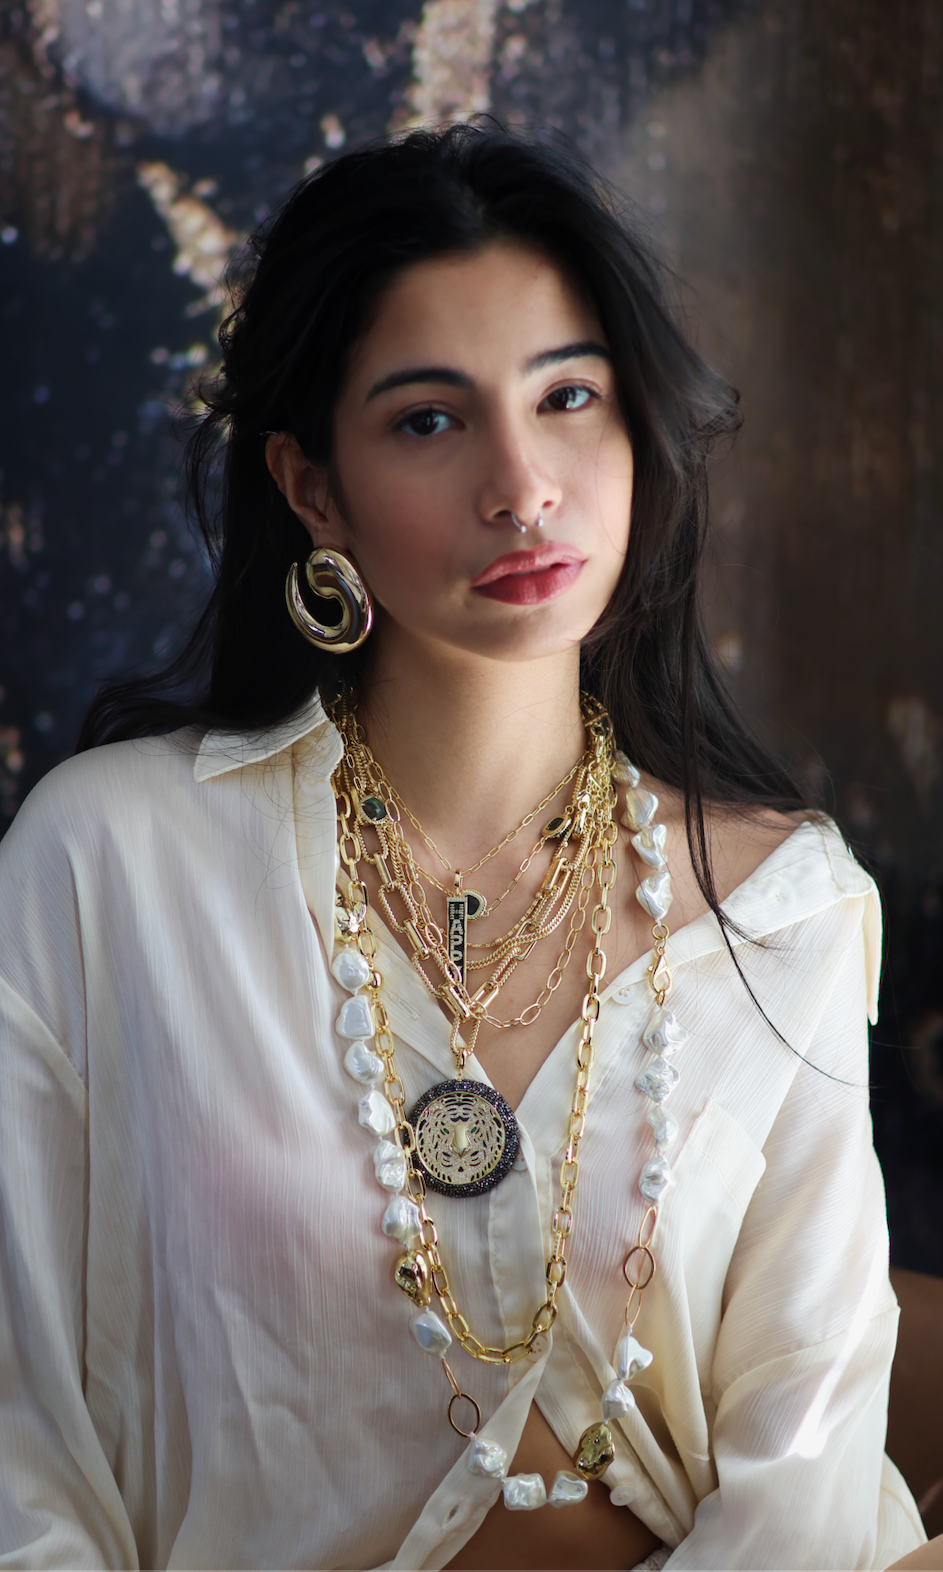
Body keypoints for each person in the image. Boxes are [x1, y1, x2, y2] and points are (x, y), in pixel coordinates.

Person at [0, 122, 928, 1571]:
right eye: (429, 420)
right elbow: (18, 1458)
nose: (521, 484)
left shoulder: (782, 905)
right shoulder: (108, 861)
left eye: (567, 397)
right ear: (312, 488)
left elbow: (800, 1486)